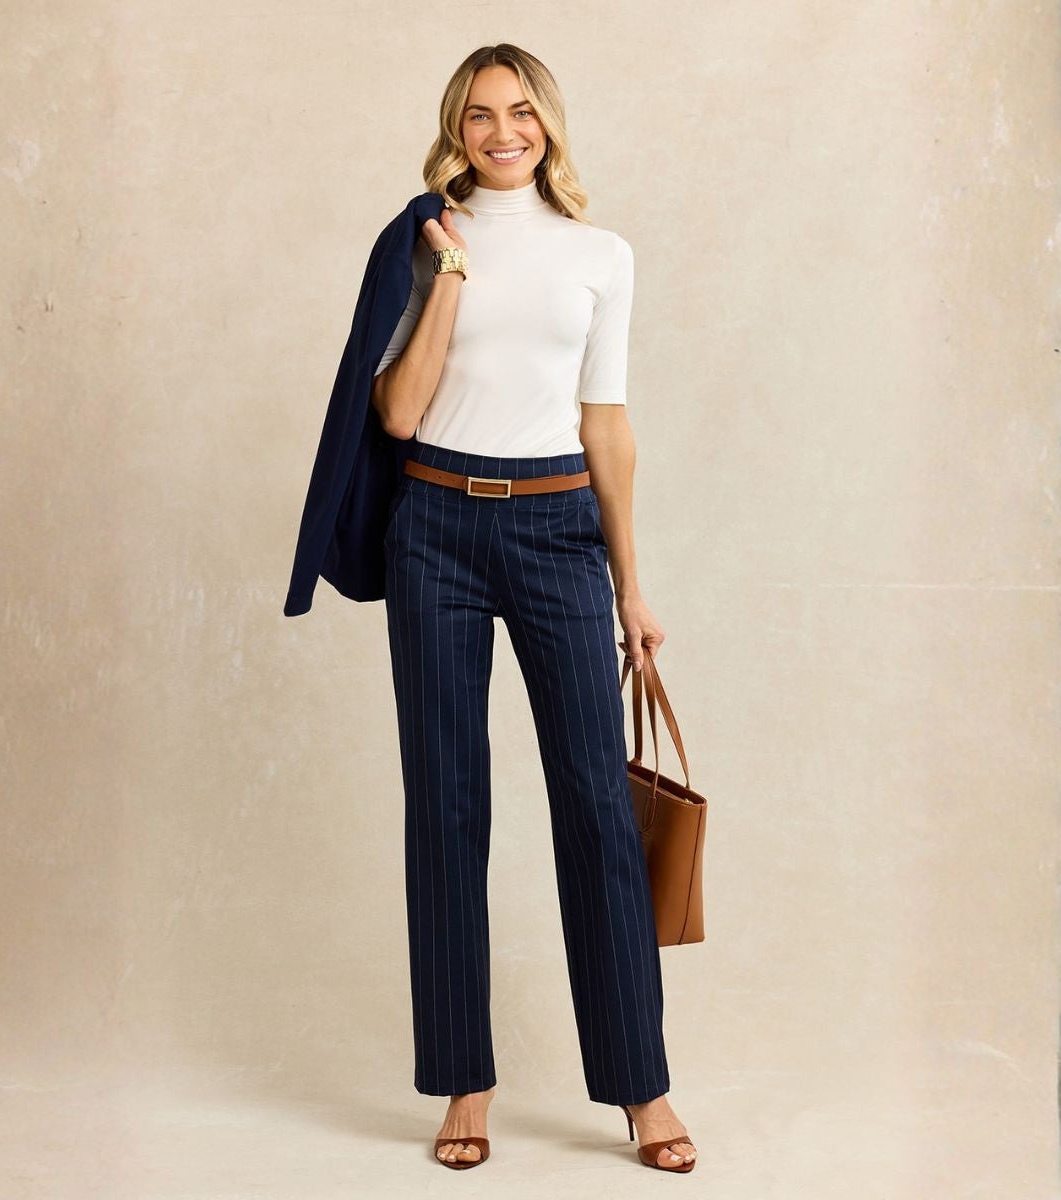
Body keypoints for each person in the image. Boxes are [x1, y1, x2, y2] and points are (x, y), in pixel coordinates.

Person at [372, 42, 696, 1174]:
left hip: (560, 530)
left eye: (519, 112)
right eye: (478, 114)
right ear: (454, 129)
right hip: (434, 529)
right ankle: (465, 1082)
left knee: (597, 808)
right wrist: (449, 276)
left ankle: (642, 1087)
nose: (501, 131)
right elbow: (399, 413)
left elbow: (606, 422)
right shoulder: (422, 243)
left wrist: (631, 584)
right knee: (446, 804)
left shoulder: (601, 255)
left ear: (547, 124)